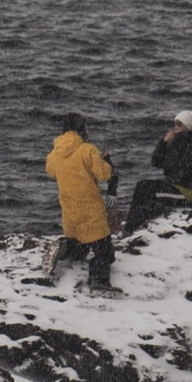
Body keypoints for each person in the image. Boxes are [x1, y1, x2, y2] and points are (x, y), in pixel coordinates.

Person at [42, 113, 116, 291]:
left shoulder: (55, 153)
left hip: (70, 211)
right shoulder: (88, 150)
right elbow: (104, 174)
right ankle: (98, 280)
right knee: (105, 252)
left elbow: (50, 171)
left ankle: (66, 248)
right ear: (81, 129)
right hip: (90, 210)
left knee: (79, 246)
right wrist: (106, 161)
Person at [128, 109, 192, 235]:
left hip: (188, 191)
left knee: (148, 191)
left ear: (188, 126)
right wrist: (163, 142)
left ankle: (133, 228)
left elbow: (185, 172)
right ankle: (132, 225)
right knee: (142, 185)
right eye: (175, 123)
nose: (176, 127)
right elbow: (156, 162)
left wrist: (170, 177)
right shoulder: (176, 141)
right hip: (175, 185)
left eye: (180, 124)